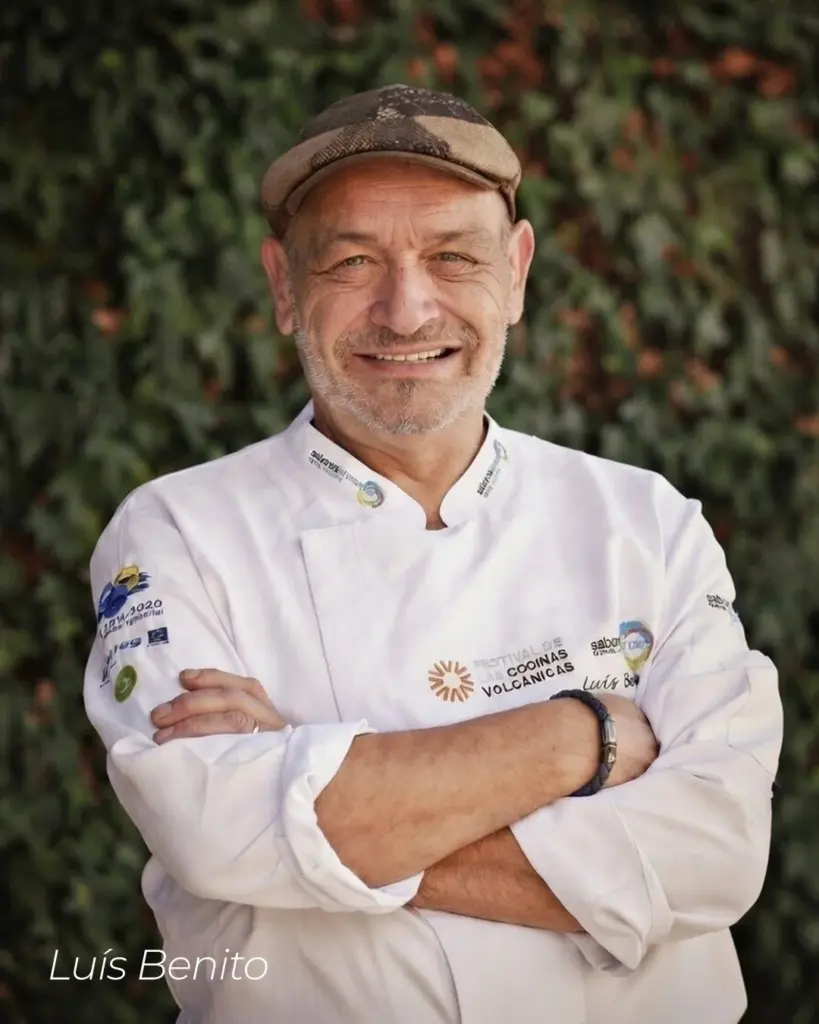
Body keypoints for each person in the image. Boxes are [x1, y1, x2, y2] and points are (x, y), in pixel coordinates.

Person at [83, 84, 783, 1024]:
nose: (407, 311)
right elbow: (212, 832)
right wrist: (578, 738)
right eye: (351, 261)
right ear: (284, 287)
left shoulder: (644, 521)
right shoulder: (177, 532)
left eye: (453, 257)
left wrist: (307, 791)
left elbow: (716, 856)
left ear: (516, 273)